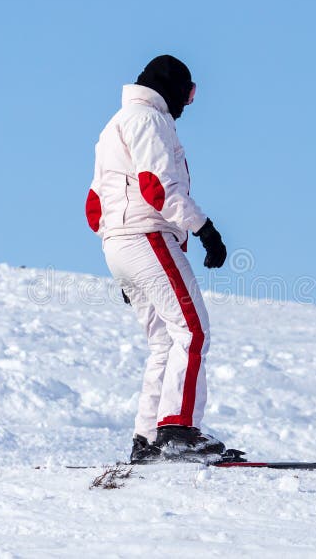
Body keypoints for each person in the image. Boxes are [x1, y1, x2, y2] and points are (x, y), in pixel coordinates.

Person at [85, 55, 231, 463]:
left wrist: (123, 267)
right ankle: (178, 431)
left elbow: (95, 205)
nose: (188, 103)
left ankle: (148, 439)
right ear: (171, 89)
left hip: (118, 244)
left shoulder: (112, 125)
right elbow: (157, 189)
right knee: (193, 330)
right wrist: (205, 229)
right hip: (147, 237)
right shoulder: (149, 120)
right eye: (188, 93)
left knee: (164, 341)